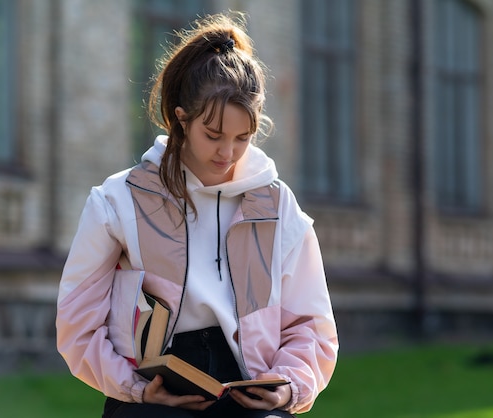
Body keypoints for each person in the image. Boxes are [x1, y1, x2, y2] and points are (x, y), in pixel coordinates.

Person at [56, 12, 338, 418]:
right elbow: (77, 324)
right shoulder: (119, 200)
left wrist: (287, 387)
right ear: (181, 119)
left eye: (243, 138)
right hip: (155, 387)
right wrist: (135, 388)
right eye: (213, 135)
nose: (227, 152)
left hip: (246, 388)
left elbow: (311, 325)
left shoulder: (278, 208)